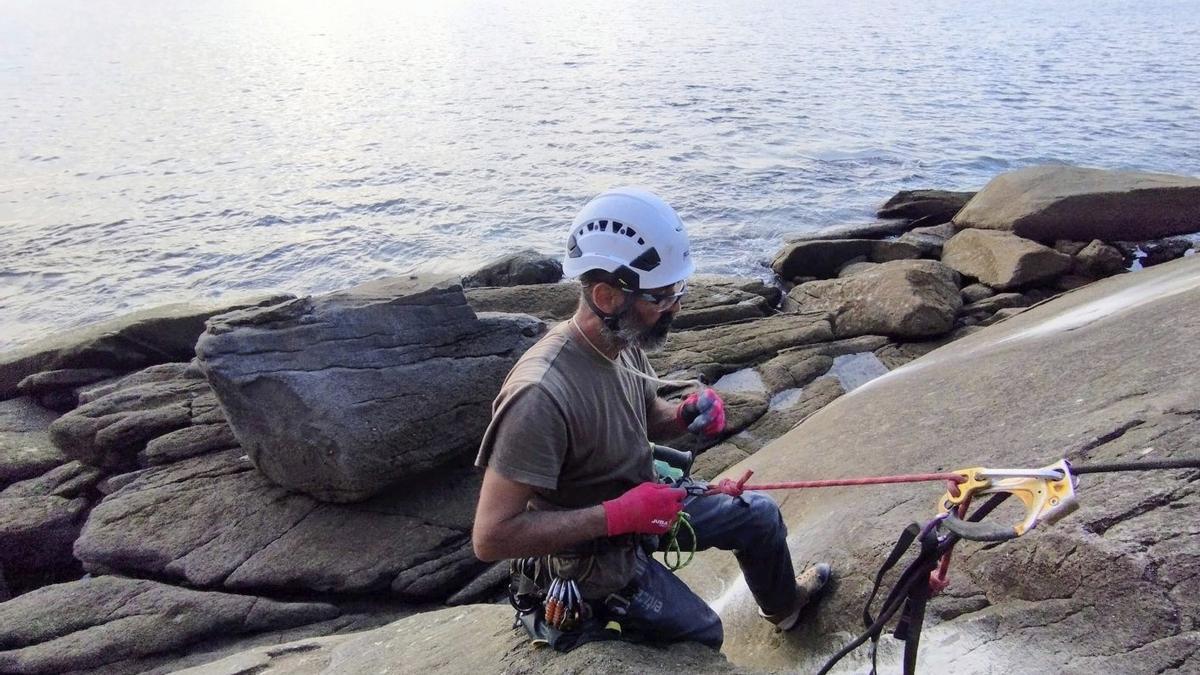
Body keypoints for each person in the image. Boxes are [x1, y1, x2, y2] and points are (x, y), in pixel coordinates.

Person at [472, 187, 830, 650]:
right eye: (662, 296)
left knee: (758, 517)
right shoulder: (540, 395)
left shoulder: (623, 342)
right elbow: (491, 536)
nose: (676, 306)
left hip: (641, 507)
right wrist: (618, 515)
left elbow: (644, 417)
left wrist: (682, 415)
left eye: (678, 291)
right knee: (704, 633)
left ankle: (785, 609)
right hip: (586, 554)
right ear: (605, 295)